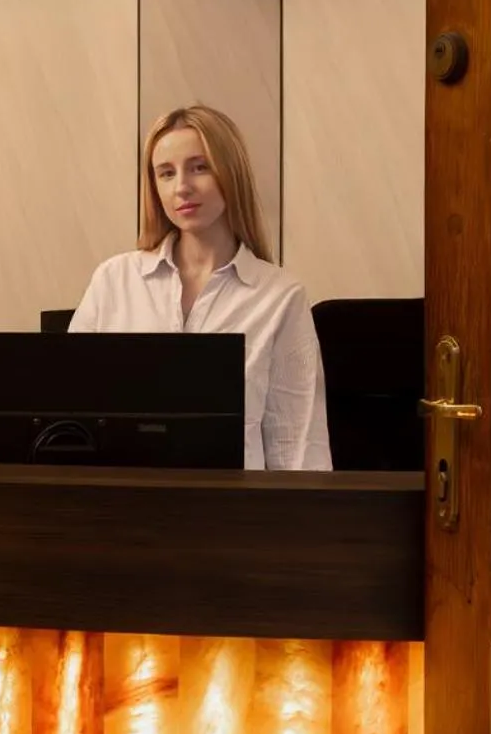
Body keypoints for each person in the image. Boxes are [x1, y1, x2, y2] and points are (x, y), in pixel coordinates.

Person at [69, 104, 331, 470]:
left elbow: (298, 450)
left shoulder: (280, 297)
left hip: (233, 516)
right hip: (123, 510)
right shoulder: (113, 281)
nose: (182, 187)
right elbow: (69, 422)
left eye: (199, 167)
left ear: (231, 173)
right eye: (165, 173)